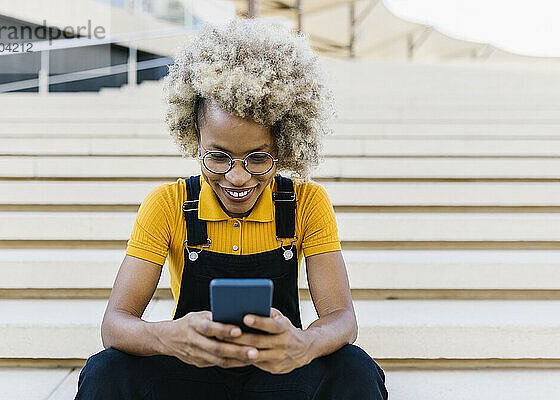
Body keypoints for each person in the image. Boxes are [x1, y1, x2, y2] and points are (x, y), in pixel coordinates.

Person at [75, 18, 387, 400]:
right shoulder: (166, 204)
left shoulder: (307, 203)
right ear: (195, 138)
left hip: (280, 377)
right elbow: (114, 326)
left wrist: (304, 344)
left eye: (257, 158)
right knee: (105, 372)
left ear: (284, 145)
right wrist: (165, 336)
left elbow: (343, 319)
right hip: (191, 377)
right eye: (218, 157)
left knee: (355, 369)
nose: (237, 177)